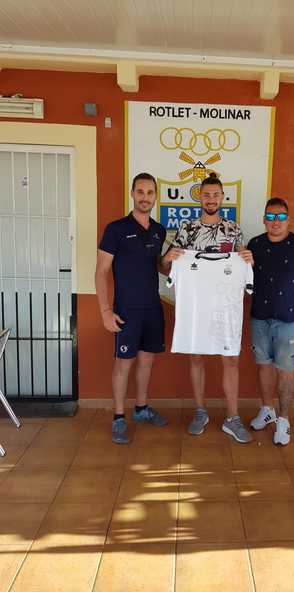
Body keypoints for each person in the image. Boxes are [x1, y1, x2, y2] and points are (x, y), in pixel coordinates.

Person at [161, 173, 254, 443]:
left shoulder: (234, 230)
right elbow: (167, 268)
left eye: (215, 195)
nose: (211, 199)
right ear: (199, 198)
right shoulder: (186, 230)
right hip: (196, 307)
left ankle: (232, 417)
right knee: (196, 357)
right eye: (206, 195)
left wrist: (248, 259)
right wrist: (167, 258)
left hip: (225, 307)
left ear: (222, 197)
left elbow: (244, 266)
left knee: (231, 359)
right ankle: (200, 411)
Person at [95, 173, 168, 444]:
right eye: (140, 192)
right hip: (126, 309)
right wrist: (105, 311)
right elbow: (101, 272)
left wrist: (170, 261)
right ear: (132, 193)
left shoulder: (159, 230)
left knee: (147, 361)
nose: (145, 197)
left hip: (152, 307)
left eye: (150, 192)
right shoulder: (116, 229)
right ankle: (118, 417)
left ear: (155, 196)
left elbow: (158, 266)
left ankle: (141, 408)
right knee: (123, 363)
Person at [248, 197, 294, 445]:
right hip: (260, 317)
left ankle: (283, 420)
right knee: (263, 366)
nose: (275, 221)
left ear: (288, 219)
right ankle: (267, 410)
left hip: (290, 321)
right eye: (270, 216)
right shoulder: (255, 244)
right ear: (264, 219)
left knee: (286, 371)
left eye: (280, 217)